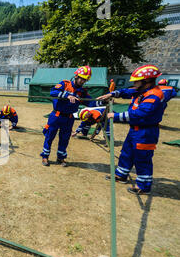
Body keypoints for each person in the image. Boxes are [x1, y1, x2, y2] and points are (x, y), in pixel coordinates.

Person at [97, 65, 166, 195]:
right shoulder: (143, 90)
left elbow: (139, 114)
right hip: (135, 130)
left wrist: (115, 116)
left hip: (146, 132)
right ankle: (121, 175)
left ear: (146, 81)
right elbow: (128, 92)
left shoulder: (154, 95)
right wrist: (112, 93)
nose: (134, 84)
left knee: (142, 158)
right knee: (127, 152)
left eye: (136, 81)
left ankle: (143, 186)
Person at [40, 66, 100, 167]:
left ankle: (61, 157)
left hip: (69, 118)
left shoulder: (82, 91)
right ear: (76, 76)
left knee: (65, 138)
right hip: (56, 116)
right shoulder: (65, 83)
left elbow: (91, 103)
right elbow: (53, 92)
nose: (82, 81)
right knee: (50, 135)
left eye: (85, 80)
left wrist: (103, 101)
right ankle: (45, 156)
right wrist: (67, 95)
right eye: (81, 78)